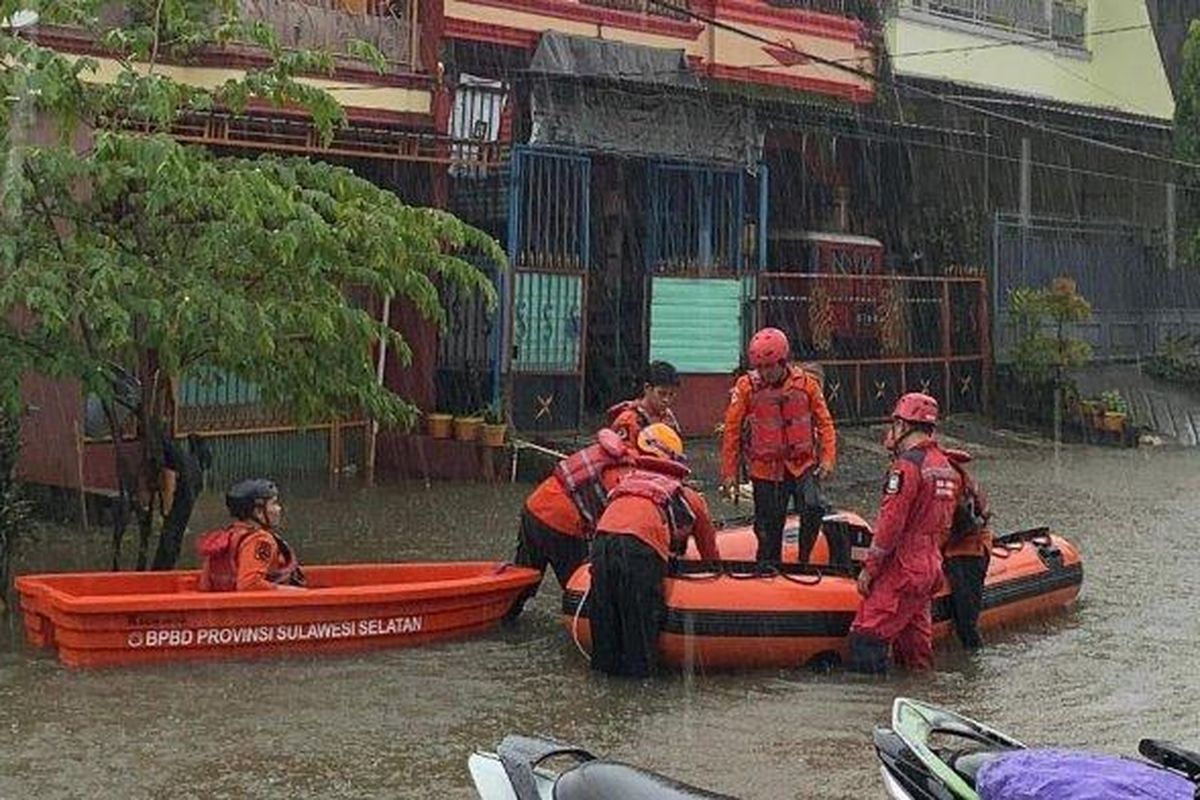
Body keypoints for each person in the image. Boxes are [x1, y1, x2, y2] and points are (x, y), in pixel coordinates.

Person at [589, 423, 720, 678]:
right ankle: (641, 690)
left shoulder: (625, 482)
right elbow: (709, 552)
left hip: (602, 543)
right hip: (640, 550)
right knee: (640, 643)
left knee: (604, 637)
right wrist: (716, 576)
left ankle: (602, 685)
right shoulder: (688, 496)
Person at [848, 393, 959, 673]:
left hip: (904, 567)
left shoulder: (908, 466)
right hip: (930, 565)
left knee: (867, 636)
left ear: (902, 425)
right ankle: (918, 692)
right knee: (915, 647)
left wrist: (870, 569)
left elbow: (891, 522)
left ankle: (870, 699)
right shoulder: (944, 466)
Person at [719, 327, 837, 564]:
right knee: (768, 530)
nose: (764, 372)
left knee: (813, 507)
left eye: (769, 366)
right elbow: (732, 431)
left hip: (802, 463)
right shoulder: (746, 387)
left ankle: (805, 557)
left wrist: (827, 458)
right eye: (760, 367)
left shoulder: (806, 385)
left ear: (783, 362)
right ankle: (768, 568)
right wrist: (729, 473)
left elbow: (825, 423)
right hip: (766, 469)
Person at [506, 427, 649, 620]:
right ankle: (586, 627)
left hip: (535, 507)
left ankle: (504, 617)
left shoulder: (618, 453)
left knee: (525, 577)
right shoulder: (628, 475)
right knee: (579, 585)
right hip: (563, 524)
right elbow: (620, 526)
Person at [197, 479, 305, 591]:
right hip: (254, 603)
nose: (279, 508)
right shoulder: (262, 542)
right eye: (274, 503)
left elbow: (205, 585)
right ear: (258, 511)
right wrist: (297, 592)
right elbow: (249, 584)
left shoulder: (223, 539)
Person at [941, 448, 994, 649]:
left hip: (968, 550)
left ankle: (973, 658)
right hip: (961, 544)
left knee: (966, 622)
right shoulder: (953, 475)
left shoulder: (950, 481)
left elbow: (952, 524)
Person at [607, 360, 682, 443]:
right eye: (661, 393)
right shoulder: (627, 420)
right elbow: (618, 449)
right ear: (647, 388)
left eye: (671, 394)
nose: (666, 400)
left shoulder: (668, 417)